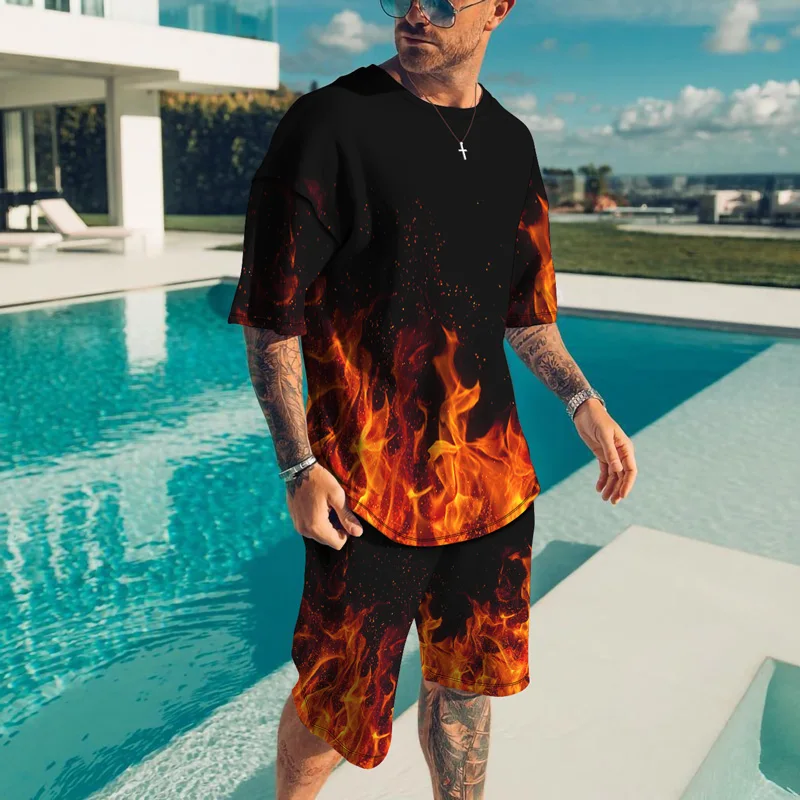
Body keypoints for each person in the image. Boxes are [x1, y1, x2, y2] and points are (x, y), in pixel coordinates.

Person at [227, 0, 638, 797]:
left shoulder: (512, 142)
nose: (416, 12)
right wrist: (298, 466)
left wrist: (581, 398)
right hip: (366, 492)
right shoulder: (329, 124)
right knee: (336, 708)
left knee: (465, 694)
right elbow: (273, 316)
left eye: (444, 1)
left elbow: (524, 313)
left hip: (491, 485)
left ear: (498, 11)